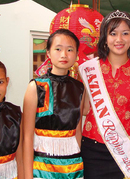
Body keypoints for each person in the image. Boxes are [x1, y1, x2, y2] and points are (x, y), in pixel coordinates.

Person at [78, 10, 130, 179]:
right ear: (105, 38)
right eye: (113, 33)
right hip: (92, 150)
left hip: (124, 152)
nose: (119, 39)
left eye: (125, 33)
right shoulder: (89, 69)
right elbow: (85, 108)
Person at [23, 28, 85, 179]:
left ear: (76, 54)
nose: (64, 55)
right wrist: (27, 175)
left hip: (72, 165)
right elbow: (27, 136)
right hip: (41, 165)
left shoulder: (79, 88)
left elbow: (77, 131)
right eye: (58, 49)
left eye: (70, 50)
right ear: (48, 53)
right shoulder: (35, 86)